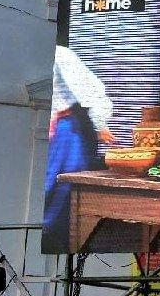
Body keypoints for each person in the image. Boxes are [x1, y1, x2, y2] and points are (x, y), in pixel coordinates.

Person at [43, 45, 115, 252]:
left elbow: (90, 90)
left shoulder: (60, 55)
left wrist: (99, 124)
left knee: (65, 185)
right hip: (47, 129)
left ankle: (60, 242)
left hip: (66, 133)